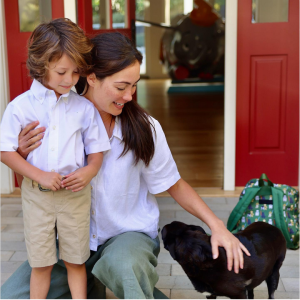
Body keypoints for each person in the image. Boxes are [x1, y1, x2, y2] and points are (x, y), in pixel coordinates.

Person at [1, 32, 250, 300]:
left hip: (125, 238)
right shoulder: (51, 117)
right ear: (92, 77)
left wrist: (217, 226)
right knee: (11, 296)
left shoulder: (145, 128)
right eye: (121, 87)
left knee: (123, 265)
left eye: (134, 86)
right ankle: (97, 285)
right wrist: (22, 155)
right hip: (71, 243)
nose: (130, 96)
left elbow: (174, 184)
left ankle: (120, 280)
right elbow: (33, 182)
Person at [0, 19, 110, 300]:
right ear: (41, 64)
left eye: (75, 72)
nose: (70, 80)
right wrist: (39, 175)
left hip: (75, 196)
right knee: (42, 263)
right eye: (62, 71)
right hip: (37, 197)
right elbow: (5, 152)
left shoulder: (83, 108)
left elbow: (96, 150)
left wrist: (90, 170)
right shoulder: (20, 107)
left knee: (75, 260)